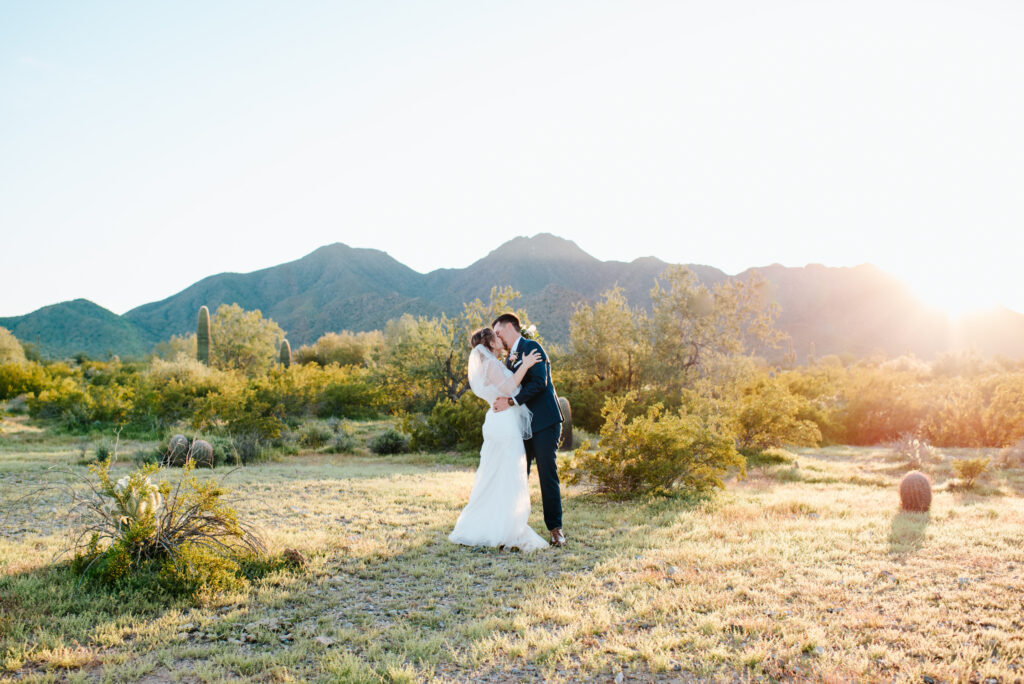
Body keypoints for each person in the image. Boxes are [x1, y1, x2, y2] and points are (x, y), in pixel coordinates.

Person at [448, 327, 549, 552]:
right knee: (507, 471)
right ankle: (506, 527)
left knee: (499, 471)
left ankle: (500, 522)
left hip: (500, 419)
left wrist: (515, 362)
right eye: (496, 336)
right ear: (490, 344)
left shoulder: (492, 362)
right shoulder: (491, 364)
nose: (500, 338)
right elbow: (508, 387)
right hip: (503, 422)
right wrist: (526, 364)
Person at [491, 313, 566, 547]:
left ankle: (555, 530)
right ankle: (512, 529)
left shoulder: (532, 347)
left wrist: (511, 402)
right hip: (522, 427)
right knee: (518, 475)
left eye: (498, 332)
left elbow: (538, 383)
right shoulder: (509, 360)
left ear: (510, 327)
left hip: (544, 422)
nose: (497, 337)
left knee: (547, 475)